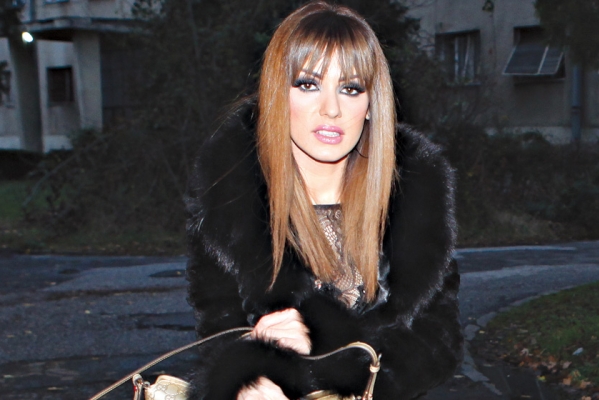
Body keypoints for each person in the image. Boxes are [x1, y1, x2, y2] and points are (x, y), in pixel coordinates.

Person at [185, 2, 462, 399]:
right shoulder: (231, 202)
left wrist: (325, 353)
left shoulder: (415, 201)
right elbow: (217, 335)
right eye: (308, 84)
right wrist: (245, 377)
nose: (331, 109)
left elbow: (439, 344)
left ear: (371, 104)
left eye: (351, 88)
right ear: (277, 94)